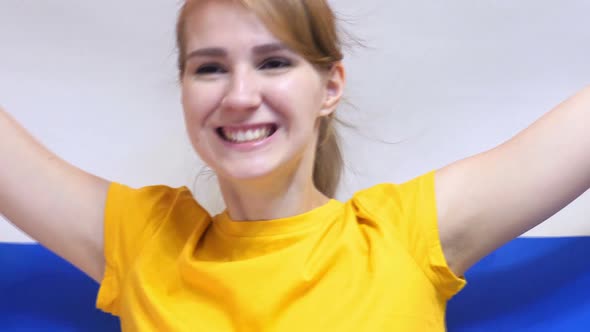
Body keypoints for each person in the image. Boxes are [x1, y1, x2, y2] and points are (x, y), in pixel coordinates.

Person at [0, 0, 588, 330]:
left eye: (273, 63)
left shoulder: (403, 234)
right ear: (184, 91)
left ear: (329, 86)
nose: (238, 95)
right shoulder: (144, 240)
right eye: (209, 68)